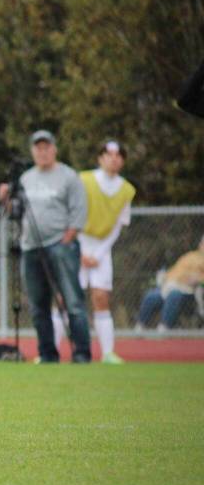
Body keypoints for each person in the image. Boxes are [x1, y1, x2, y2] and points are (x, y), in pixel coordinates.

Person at [0, 130, 91, 363]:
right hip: (31, 248)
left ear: (54, 149)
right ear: (32, 151)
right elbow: (16, 213)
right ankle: (48, 353)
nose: (43, 152)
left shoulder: (69, 177)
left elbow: (79, 212)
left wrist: (67, 240)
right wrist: (6, 200)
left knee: (73, 302)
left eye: (46, 147)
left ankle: (81, 353)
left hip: (60, 245)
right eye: (38, 148)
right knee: (38, 306)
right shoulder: (27, 178)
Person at [76, 140, 135, 363]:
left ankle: (108, 352)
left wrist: (98, 254)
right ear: (100, 158)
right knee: (66, 298)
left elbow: (118, 226)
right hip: (78, 243)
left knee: (100, 297)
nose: (114, 159)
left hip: (102, 248)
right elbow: (74, 214)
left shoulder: (127, 190)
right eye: (109, 154)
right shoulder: (84, 180)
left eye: (119, 155)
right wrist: (80, 250)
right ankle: (51, 350)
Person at [134, 235, 204, 331]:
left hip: (189, 291)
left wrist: (199, 279)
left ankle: (164, 327)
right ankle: (140, 325)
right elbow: (175, 270)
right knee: (151, 296)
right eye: (202, 242)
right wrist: (164, 277)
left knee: (173, 295)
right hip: (170, 286)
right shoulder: (189, 256)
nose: (202, 245)